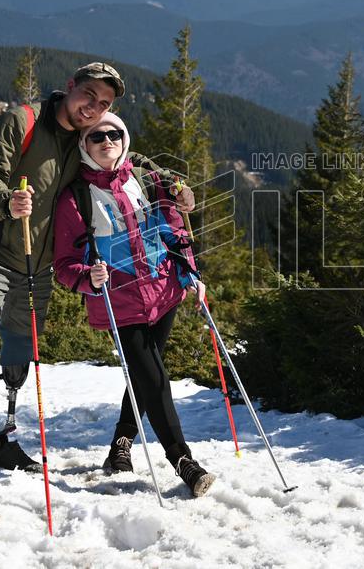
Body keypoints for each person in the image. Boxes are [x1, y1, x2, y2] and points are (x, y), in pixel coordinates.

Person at [0, 62, 195, 509]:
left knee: (20, 351)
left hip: (36, 267)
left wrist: (172, 182)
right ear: (70, 88)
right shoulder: (20, 122)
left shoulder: (87, 137)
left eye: (104, 105)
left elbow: (126, 161)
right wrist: (5, 201)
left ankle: (5, 437)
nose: (94, 109)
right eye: (89, 96)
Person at [53, 112, 217, 498]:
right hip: (120, 302)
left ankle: (120, 446)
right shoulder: (74, 198)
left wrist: (190, 273)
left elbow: (174, 231)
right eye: (96, 137)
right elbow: (63, 265)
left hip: (164, 293)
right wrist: (85, 278)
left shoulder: (146, 181)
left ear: (124, 138)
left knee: (146, 375)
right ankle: (183, 461)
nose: (107, 140)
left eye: (114, 133)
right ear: (84, 146)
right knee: (154, 377)